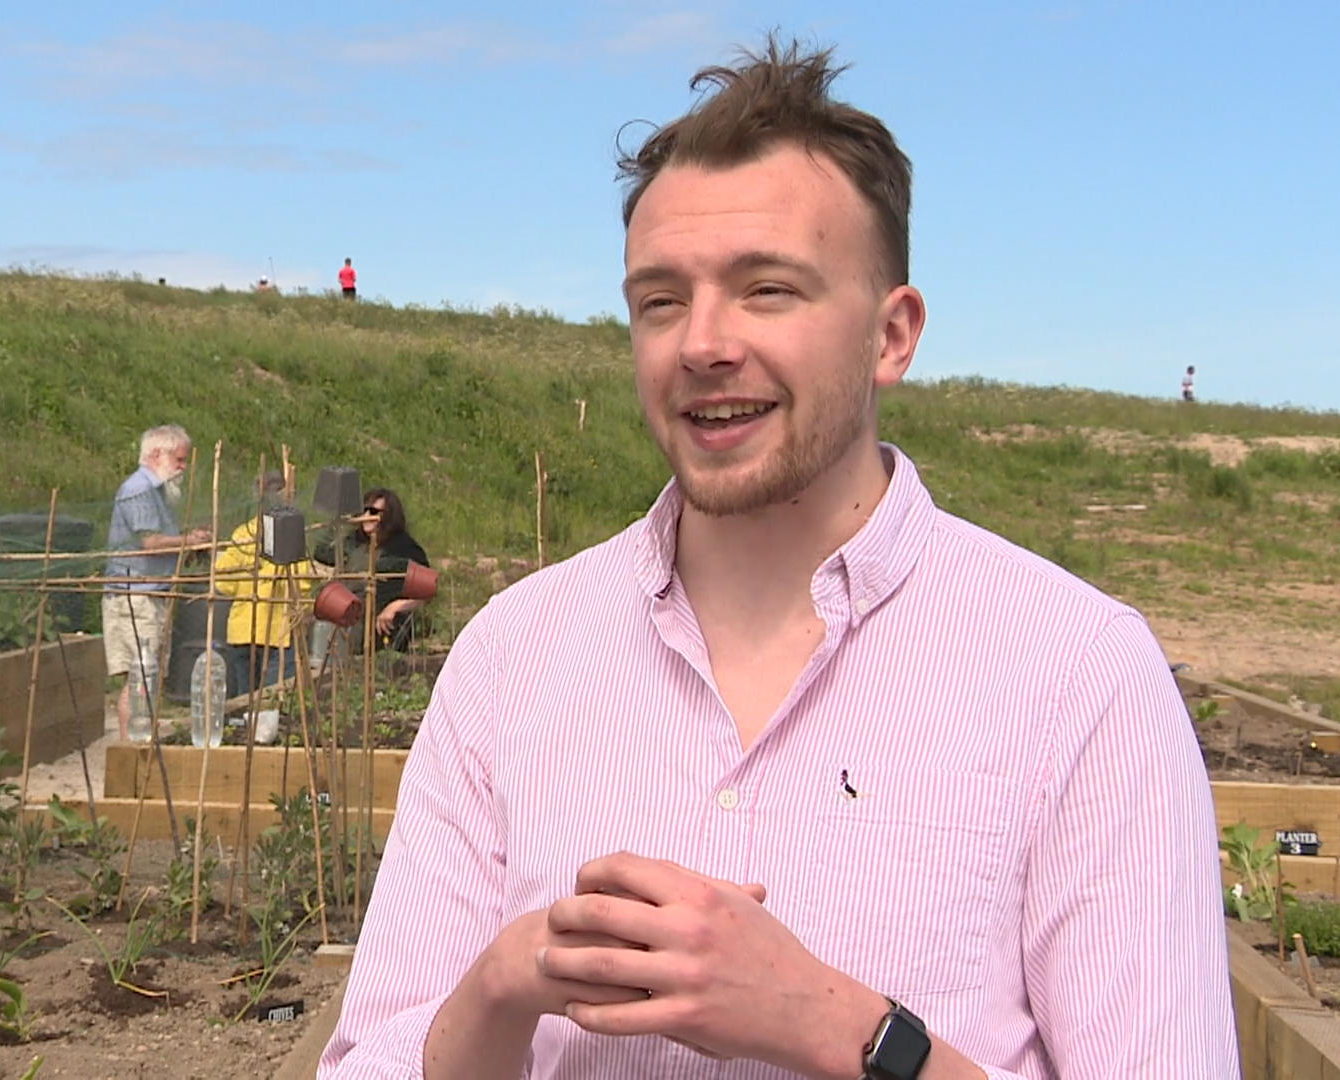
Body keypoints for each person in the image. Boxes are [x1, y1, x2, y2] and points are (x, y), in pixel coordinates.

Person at [323, 38, 1235, 1080]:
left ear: (892, 335)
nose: (703, 342)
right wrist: (494, 989)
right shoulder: (511, 662)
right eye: (661, 300)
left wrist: (842, 1029)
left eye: (768, 291)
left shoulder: (1079, 677)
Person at [102, 424, 211, 740]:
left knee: (147, 679)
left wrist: (188, 545)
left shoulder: (158, 493)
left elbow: (162, 544)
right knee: (140, 678)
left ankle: (136, 748)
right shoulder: (138, 490)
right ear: (156, 454)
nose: (183, 467)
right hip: (135, 595)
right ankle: (130, 753)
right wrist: (188, 541)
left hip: (151, 594)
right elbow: (149, 543)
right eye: (179, 459)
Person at [215, 472, 314, 701]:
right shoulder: (291, 532)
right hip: (278, 631)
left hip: (242, 629)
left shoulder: (244, 534)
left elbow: (223, 582)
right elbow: (302, 583)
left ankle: (247, 734)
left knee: (245, 700)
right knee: (274, 699)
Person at [314, 487, 429, 653]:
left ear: (388, 516)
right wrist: (340, 522)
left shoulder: (403, 548)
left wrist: (394, 607)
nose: (367, 516)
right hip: (350, 625)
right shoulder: (356, 542)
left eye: (373, 511)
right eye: (364, 510)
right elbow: (322, 553)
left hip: (383, 633)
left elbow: (427, 591)